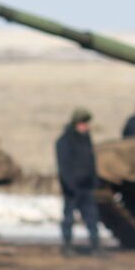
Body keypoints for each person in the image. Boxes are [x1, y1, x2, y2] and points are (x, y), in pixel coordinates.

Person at [55, 107, 102, 256]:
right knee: (69, 218)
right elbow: (64, 165)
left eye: (86, 123)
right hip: (72, 188)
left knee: (92, 217)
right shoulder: (64, 141)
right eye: (83, 123)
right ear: (76, 123)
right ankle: (68, 245)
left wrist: (94, 181)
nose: (85, 126)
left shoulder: (85, 139)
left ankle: (95, 245)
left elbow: (91, 162)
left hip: (86, 186)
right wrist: (69, 185)